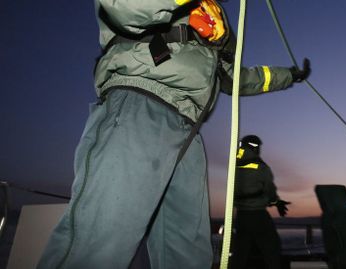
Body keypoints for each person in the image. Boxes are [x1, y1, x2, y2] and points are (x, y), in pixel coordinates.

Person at [36, 0, 310, 268]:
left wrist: (289, 75)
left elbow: (237, 76)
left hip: (189, 131)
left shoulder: (218, 18)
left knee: (187, 251)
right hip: (141, 99)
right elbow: (122, 6)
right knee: (101, 240)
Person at [231, 135, 290, 269]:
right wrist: (277, 202)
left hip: (240, 216)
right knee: (272, 248)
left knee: (240, 252)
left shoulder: (234, 165)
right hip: (257, 215)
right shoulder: (261, 167)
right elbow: (270, 190)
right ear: (255, 148)